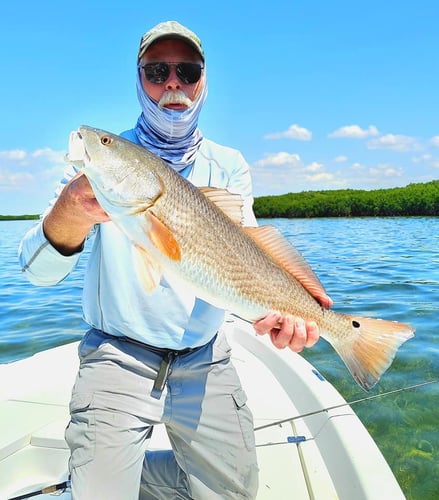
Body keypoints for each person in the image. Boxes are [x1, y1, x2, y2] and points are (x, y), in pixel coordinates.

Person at [19, 20, 331, 500]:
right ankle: (100, 476)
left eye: (187, 71)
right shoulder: (95, 170)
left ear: (203, 80)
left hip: (207, 356)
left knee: (234, 494)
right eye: (157, 70)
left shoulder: (229, 165)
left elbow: (248, 256)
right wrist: (70, 211)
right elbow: (37, 273)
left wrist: (289, 311)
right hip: (117, 353)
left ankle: (122, 473)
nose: (172, 84)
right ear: (139, 79)